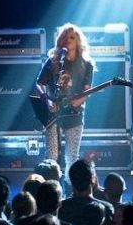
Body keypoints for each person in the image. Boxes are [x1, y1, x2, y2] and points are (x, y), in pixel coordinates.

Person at [35, 23, 95, 182]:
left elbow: (88, 90)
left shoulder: (86, 64)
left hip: (74, 114)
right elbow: (39, 84)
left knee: (72, 157)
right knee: (52, 156)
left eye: (72, 37)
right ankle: (50, 191)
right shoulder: (54, 61)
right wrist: (47, 100)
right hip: (53, 114)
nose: (68, 40)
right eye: (65, 37)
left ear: (78, 41)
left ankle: (72, 192)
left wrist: (79, 100)